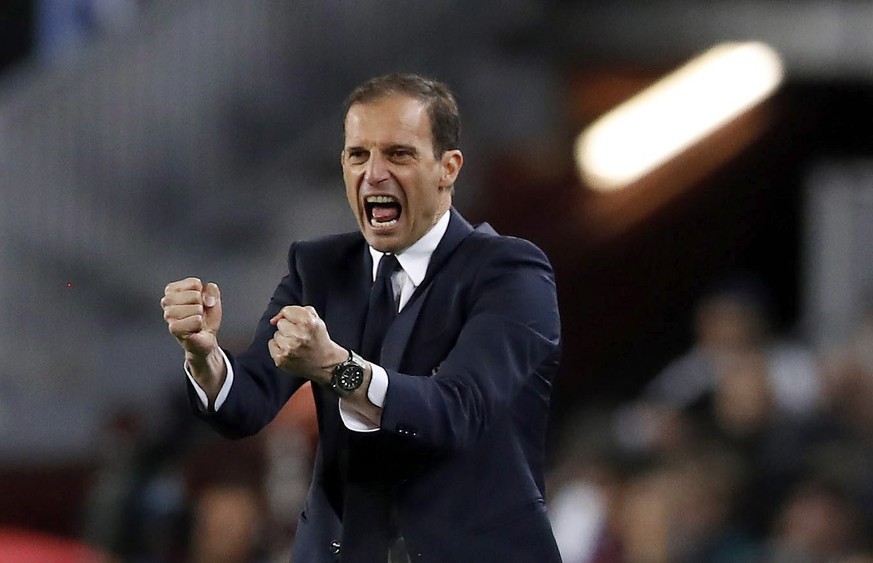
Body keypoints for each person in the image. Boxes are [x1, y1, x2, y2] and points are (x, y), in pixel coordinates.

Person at [160, 73, 562, 563]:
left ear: (448, 168)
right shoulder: (319, 269)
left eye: (398, 154)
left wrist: (336, 368)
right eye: (358, 155)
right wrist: (205, 357)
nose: (373, 174)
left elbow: (459, 411)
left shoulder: (509, 273)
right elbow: (247, 402)